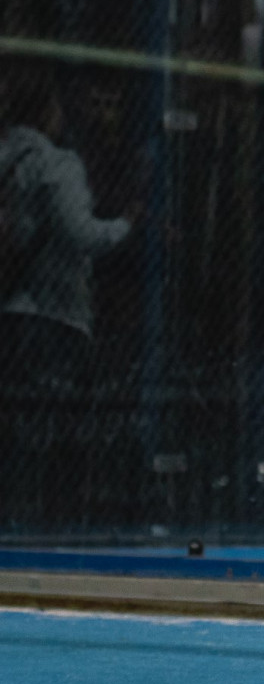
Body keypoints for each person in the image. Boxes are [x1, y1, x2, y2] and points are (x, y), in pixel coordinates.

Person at [0, 66, 133, 531]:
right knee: (62, 430)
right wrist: (127, 225)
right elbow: (82, 234)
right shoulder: (57, 164)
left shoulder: (6, 160)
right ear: (47, 111)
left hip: (10, 309)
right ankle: (55, 526)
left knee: (14, 425)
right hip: (56, 315)